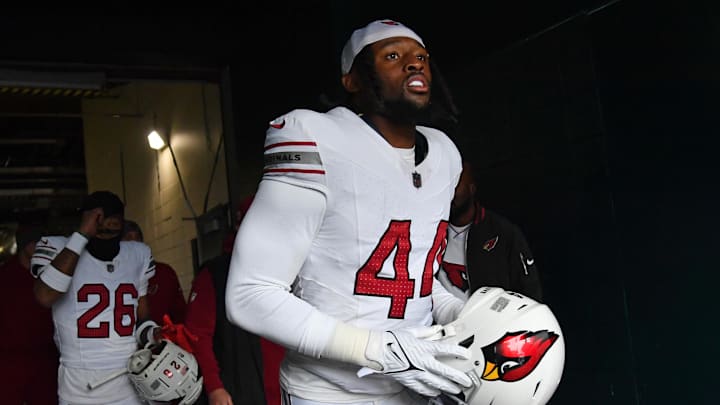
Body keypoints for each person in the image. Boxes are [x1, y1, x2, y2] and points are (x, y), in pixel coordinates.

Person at [225, 19, 474, 405]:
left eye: (421, 57)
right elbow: (250, 294)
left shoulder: (444, 153)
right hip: (331, 394)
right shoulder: (315, 137)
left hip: (419, 387)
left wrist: (461, 311)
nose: (414, 64)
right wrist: (378, 350)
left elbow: (411, 279)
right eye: (393, 55)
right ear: (351, 80)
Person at [30, 190, 156, 405]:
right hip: (80, 390)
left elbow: (140, 319)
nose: (106, 236)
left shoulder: (137, 254)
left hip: (130, 385)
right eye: (100, 230)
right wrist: (82, 236)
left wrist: (156, 334)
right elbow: (44, 295)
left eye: (113, 230)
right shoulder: (58, 247)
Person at [185, 195, 271, 405]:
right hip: (240, 391)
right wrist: (214, 387)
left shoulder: (290, 268)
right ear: (239, 226)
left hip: (288, 388)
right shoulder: (215, 274)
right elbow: (197, 335)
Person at [439, 161, 543, 301]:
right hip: (442, 320)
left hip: (489, 320)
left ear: (472, 188)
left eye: (456, 184)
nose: (449, 191)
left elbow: (529, 289)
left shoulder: (503, 232)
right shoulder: (430, 230)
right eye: (445, 185)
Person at [1, 224, 59, 404]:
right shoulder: (4, 277)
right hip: (9, 358)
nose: (39, 247)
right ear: (24, 245)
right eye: (35, 243)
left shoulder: (50, 276)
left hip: (45, 357)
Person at [122, 219, 187, 324]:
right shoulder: (113, 276)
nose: (134, 244)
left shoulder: (164, 273)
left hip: (162, 337)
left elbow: (180, 314)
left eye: (137, 239)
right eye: (128, 239)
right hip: (127, 338)